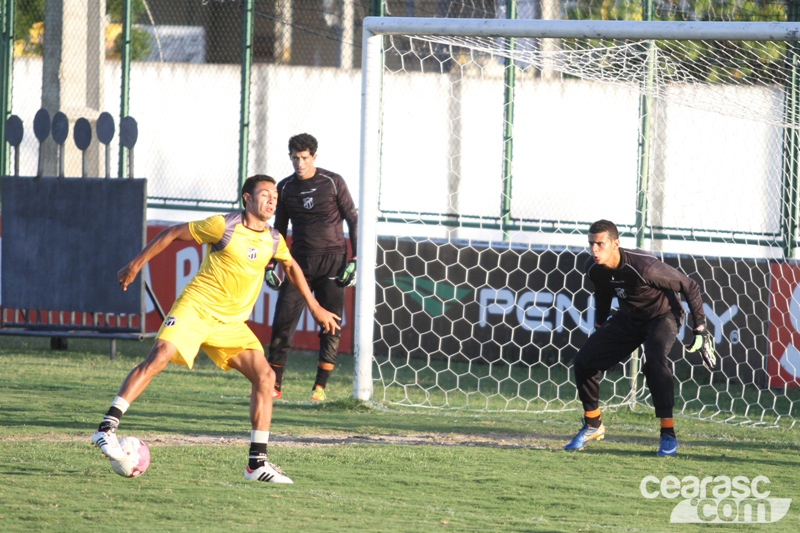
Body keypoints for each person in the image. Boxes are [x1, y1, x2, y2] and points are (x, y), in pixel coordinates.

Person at [91, 175, 340, 483]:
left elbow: (290, 266)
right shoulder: (224, 225)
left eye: (275, 195)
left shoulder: (274, 239)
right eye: (265, 194)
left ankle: (256, 464)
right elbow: (171, 233)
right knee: (159, 356)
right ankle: (106, 429)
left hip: (231, 324)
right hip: (196, 309)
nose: (272, 199)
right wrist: (135, 264)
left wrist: (315, 307)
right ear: (247, 198)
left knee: (266, 377)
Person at [564, 219, 716, 456]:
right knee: (584, 361)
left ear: (616, 244)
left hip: (662, 316)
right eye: (591, 243)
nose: (594, 249)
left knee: (655, 360)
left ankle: (668, 433)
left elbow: (690, 286)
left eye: (600, 244)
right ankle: (593, 424)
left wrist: (701, 328)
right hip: (629, 318)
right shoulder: (593, 267)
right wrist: (599, 326)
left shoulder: (644, 266)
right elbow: (603, 293)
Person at [265, 133, 358, 402]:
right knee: (282, 323)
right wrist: (271, 263)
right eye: (295, 158)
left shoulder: (333, 181)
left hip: (333, 261)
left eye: (304, 158)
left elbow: (353, 218)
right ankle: (275, 386)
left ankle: (320, 387)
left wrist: (355, 260)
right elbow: (279, 229)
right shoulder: (284, 188)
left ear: (314, 157)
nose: (299, 163)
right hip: (298, 263)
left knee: (330, 325)